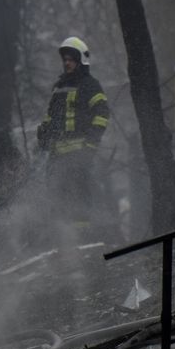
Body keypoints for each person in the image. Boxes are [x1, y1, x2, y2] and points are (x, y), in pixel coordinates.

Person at [36, 37, 110, 229]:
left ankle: (82, 243)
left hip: (78, 155)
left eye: (71, 59)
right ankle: (60, 240)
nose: (67, 62)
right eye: (65, 59)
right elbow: (51, 117)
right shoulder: (59, 87)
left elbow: (102, 114)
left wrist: (91, 145)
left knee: (79, 199)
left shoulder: (89, 85)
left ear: (80, 60)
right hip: (56, 156)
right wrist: (43, 132)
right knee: (57, 198)